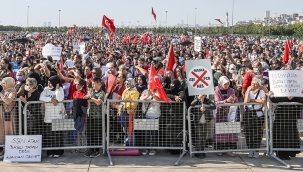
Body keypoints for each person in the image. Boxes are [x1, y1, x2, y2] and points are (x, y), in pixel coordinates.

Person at [268, 90, 303, 160]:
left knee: (289, 135)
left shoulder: (295, 92)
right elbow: (275, 100)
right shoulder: (281, 91)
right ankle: (281, 153)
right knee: (281, 135)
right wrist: (271, 95)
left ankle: (287, 153)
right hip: (281, 117)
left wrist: (301, 95)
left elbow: (300, 101)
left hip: (291, 117)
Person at [39, 75, 65, 158]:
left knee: (58, 135)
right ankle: (50, 152)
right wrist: (51, 100)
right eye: (48, 82)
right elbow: (41, 97)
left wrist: (57, 89)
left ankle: (58, 151)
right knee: (50, 135)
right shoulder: (46, 89)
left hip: (58, 116)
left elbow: (60, 98)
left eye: (50, 83)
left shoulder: (60, 89)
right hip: (49, 117)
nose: (49, 84)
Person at [214, 76, 238, 157]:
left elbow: (236, 100)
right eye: (225, 84)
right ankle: (220, 150)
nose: (227, 85)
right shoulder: (217, 91)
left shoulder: (231, 90)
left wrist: (234, 99)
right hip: (221, 114)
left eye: (228, 84)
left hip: (230, 113)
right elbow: (216, 102)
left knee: (230, 132)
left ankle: (229, 150)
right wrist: (226, 101)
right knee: (221, 132)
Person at [243, 77, 266, 158]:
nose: (253, 85)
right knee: (249, 132)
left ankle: (256, 150)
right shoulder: (248, 91)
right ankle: (250, 149)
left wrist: (253, 100)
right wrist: (249, 92)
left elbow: (263, 101)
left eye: (255, 84)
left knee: (257, 133)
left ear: (259, 85)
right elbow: (246, 101)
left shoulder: (261, 91)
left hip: (258, 114)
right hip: (249, 113)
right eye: (252, 83)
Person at [114, 78, 140, 146]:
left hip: (129, 113)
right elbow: (122, 101)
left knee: (130, 130)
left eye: (127, 83)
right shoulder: (125, 90)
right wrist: (119, 110)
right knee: (125, 130)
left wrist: (126, 105)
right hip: (123, 111)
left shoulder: (135, 92)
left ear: (131, 83)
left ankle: (131, 145)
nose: (126, 85)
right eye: (125, 83)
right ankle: (127, 143)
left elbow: (133, 104)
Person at [83, 77, 105, 158]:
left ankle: (96, 150)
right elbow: (85, 97)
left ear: (99, 84)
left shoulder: (101, 92)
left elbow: (99, 102)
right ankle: (90, 149)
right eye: (92, 84)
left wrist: (91, 98)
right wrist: (87, 96)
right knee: (90, 133)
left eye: (94, 84)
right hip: (91, 116)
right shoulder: (91, 91)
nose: (92, 85)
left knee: (97, 134)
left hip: (98, 117)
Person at [190, 95, 215, 159]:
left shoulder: (207, 100)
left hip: (205, 121)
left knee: (203, 137)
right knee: (199, 137)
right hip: (198, 122)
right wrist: (198, 98)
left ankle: (202, 150)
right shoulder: (196, 99)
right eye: (201, 95)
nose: (202, 96)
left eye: (204, 95)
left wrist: (206, 108)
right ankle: (197, 151)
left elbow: (213, 106)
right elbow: (191, 104)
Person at [140, 87, 161, 156]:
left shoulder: (158, 91)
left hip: (155, 115)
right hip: (147, 115)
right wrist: (147, 95)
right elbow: (141, 99)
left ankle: (153, 148)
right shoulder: (145, 91)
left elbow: (160, 99)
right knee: (147, 133)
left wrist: (153, 95)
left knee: (154, 133)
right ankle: (147, 148)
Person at [0, 77, 17, 157]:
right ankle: (3, 150)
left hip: (9, 114)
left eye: (4, 83)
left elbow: (8, 101)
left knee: (9, 131)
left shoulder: (12, 91)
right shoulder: (3, 91)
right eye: (2, 83)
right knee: (2, 132)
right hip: (2, 113)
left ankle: (10, 151)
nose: (2, 85)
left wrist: (0, 94)